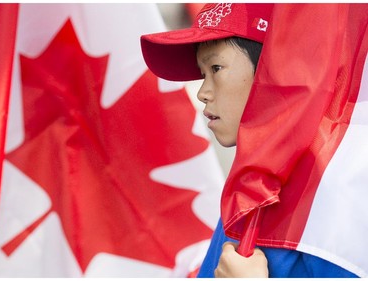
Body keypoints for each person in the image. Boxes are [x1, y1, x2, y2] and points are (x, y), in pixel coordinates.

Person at [141, 3, 361, 278]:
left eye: (216, 68)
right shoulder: (251, 188)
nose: (203, 93)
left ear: (275, 71)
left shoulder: (340, 194)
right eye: (202, 74)